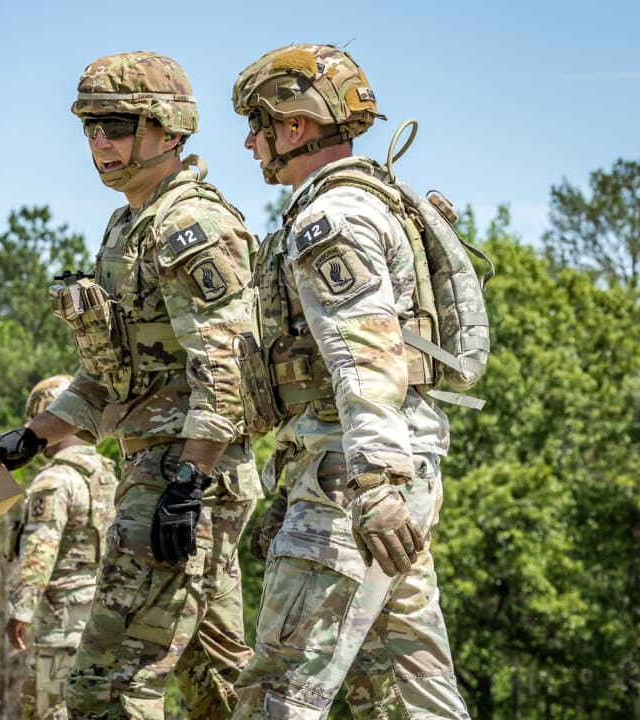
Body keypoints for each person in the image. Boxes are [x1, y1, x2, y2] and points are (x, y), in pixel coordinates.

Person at [0, 51, 262, 719]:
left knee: (103, 685)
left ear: (168, 130)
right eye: (89, 128)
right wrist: (33, 436)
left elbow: (225, 366)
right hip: (163, 469)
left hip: (183, 474)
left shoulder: (190, 228)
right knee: (217, 681)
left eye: (116, 125)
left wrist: (189, 483)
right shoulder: (127, 228)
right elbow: (113, 374)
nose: (99, 143)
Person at [228, 44, 471, 718]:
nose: (251, 143)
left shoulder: (328, 220)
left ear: (295, 127)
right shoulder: (380, 203)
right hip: (396, 472)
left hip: (351, 480)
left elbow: (364, 358)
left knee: (277, 692)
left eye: (259, 125)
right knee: (415, 690)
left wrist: (372, 485)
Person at [5, 374, 119, 720]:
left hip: (63, 624)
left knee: (48, 709)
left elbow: (40, 552)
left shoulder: (54, 479)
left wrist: (19, 611)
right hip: (108, 621)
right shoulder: (112, 476)